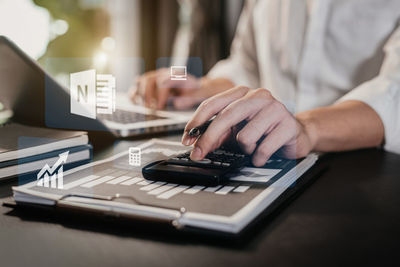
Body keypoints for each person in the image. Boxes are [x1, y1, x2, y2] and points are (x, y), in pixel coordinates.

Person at [131, 0, 400, 166]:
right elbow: (247, 65)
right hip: (264, 160)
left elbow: (394, 91)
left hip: (362, 173)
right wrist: (195, 84)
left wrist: (305, 128)